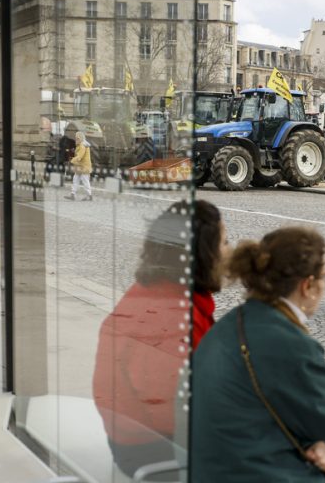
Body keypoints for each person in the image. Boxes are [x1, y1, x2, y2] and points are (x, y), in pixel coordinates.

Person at [191, 227, 325, 482]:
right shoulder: (290, 344)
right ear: (307, 286)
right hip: (254, 471)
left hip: (213, 464)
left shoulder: (234, 320)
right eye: (324, 277)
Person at [92, 200, 228, 478]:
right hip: (156, 451)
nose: (230, 252)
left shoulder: (160, 295)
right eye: (224, 242)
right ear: (203, 253)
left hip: (141, 439)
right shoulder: (170, 316)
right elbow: (174, 415)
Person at [64, 131, 93, 201]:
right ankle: (73, 194)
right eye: (76, 138)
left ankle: (89, 195)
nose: (76, 140)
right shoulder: (81, 145)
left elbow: (79, 156)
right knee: (76, 179)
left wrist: (72, 161)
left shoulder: (82, 146)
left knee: (85, 180)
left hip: (83, 167)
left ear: (80, 138)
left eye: (77, 138)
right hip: (80, 166)